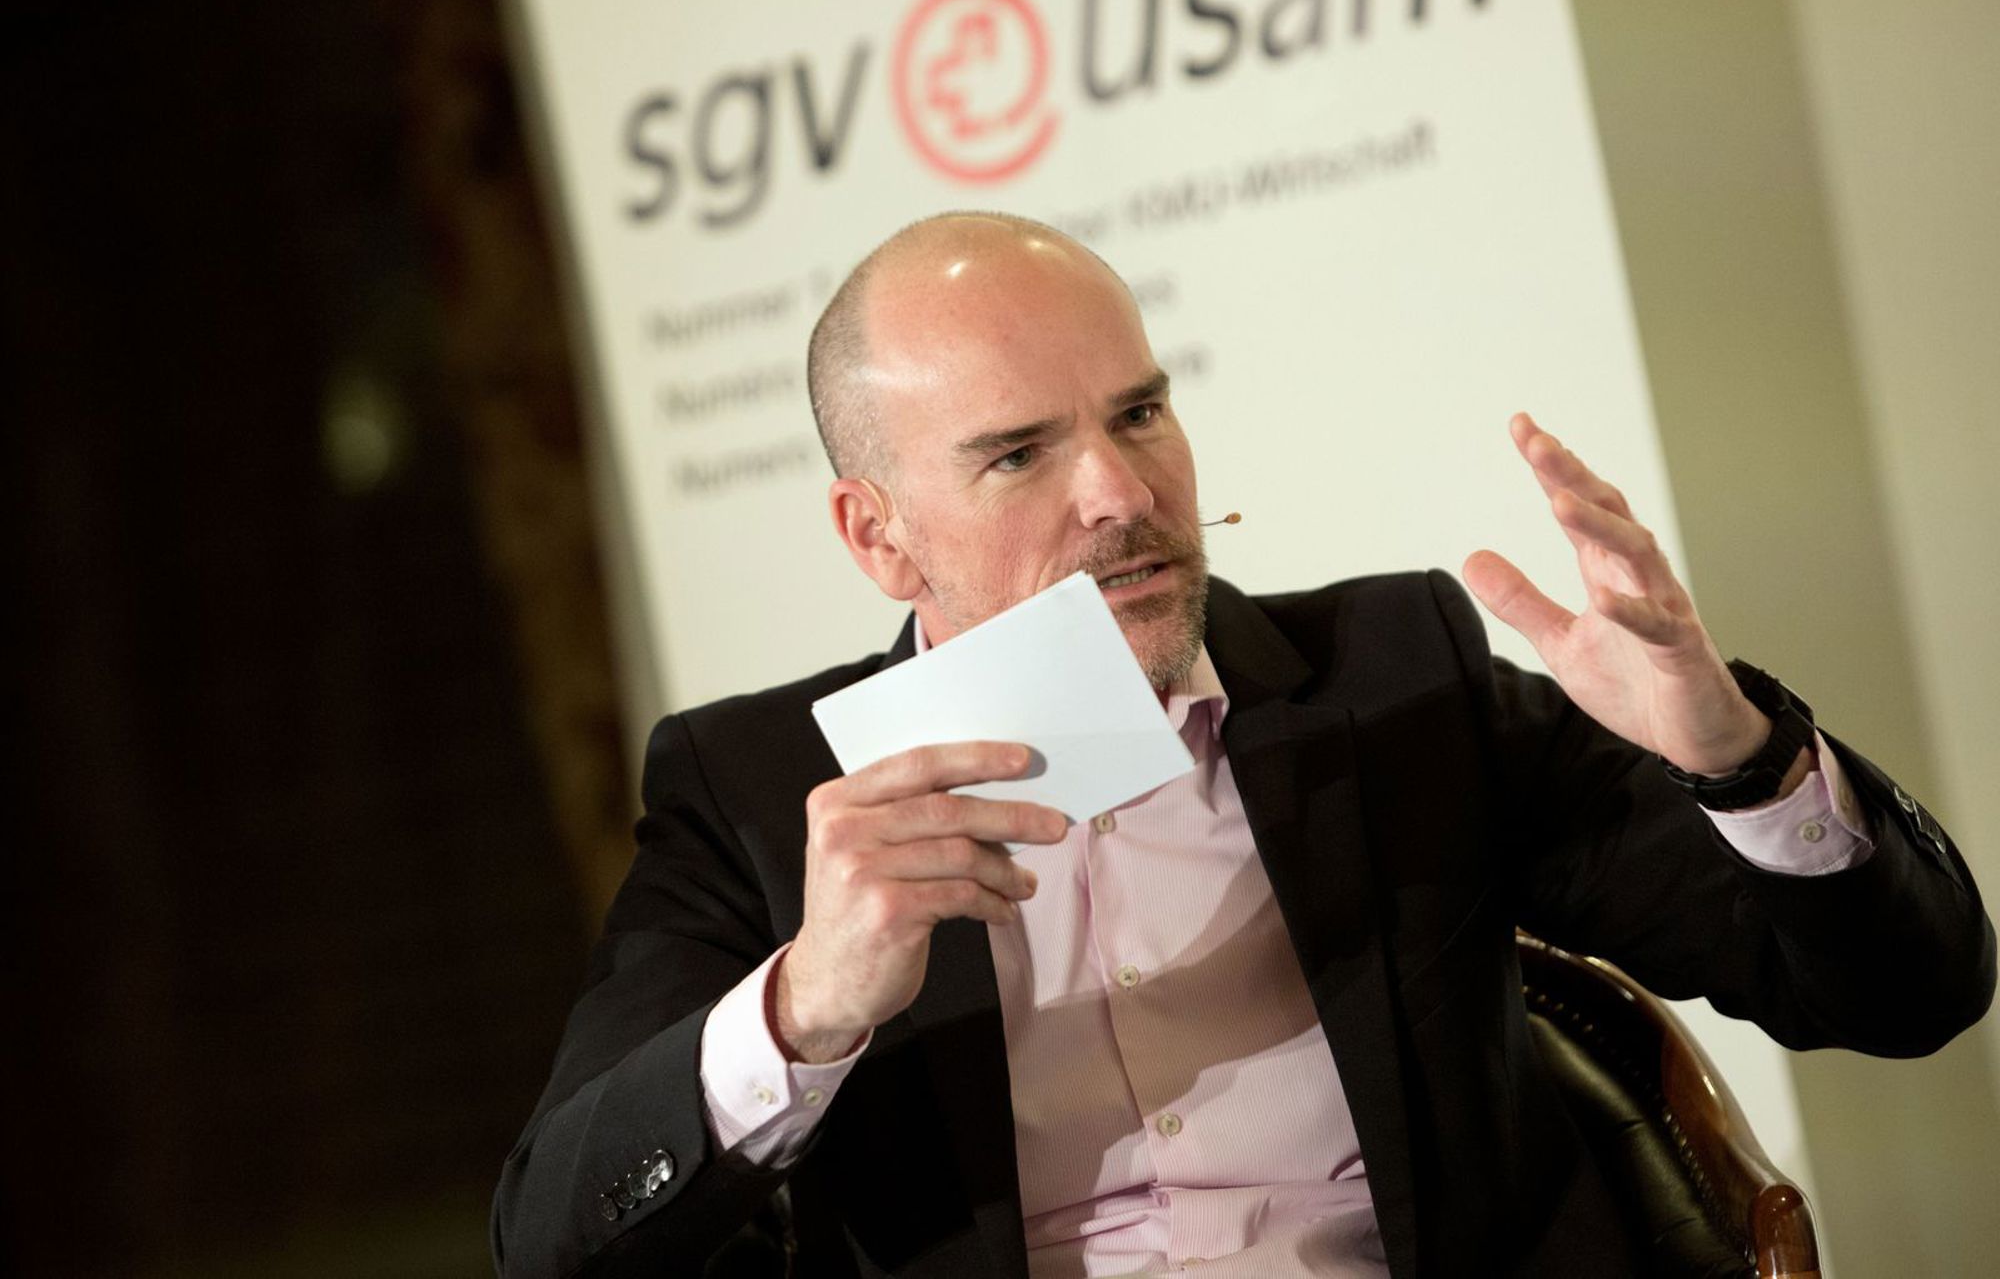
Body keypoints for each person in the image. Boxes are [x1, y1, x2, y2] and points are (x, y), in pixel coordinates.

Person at [492, 213, 1994, 1278]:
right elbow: (555, 1236)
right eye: (1018, 453)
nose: (1119, 494)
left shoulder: (1395, 681)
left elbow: (1909, 993)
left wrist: (1735, 757)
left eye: (1138, 414)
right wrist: (806, 1007)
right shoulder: (761, 792)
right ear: (878, 534)